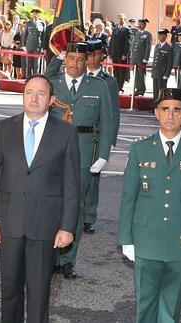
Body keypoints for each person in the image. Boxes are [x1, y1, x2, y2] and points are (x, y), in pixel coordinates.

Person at [0, 74, 80, 323]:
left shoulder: (66, 133)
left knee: (38, 294)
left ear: (51, 100)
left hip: (45, 225)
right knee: (9, 291)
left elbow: (71, 185)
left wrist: (67, 227)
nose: (34, 98)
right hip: (9, 222)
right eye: (29, 92)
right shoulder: (4, 128)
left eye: (40, 94)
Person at [118, 88, 181, 323]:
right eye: (165, 109)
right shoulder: (140, 149)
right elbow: (129, 197)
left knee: (171, 308)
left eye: (177, 110)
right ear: (156, 113)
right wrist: (126, 239)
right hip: (146, 240)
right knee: (145, 304)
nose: (171, 115)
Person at [45, 42, 113, 278]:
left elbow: (107, 121)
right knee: (52, 204)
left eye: (80, 59)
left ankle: (67, 259)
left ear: (88, 61)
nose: (75, 63)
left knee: (77, 206)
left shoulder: (99, 86)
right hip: (53, 153)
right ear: (65, 60)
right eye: (71, 58)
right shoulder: (52, 84)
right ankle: (50, 255)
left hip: (84, 152)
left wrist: (103, 154)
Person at [82, 39, 120, 235]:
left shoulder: (109, 81)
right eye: (89, 55)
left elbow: (112, 114)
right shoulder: (79, 76)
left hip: (97, 136)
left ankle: (88, 217)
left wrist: (110, 142)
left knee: (92, 179)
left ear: (102, 56)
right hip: (78, 135)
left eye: (96, 54)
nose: (92, 59)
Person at [130, 19, 152, 96]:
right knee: (135, 74)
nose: (139, 25)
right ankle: (137, 89)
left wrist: (146, 58)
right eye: (139, 24)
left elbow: (148, 47)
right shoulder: (137, 33)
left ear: (145, 25)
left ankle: (142, 89)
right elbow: (133, 46)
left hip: (141, 58)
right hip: (135, 57)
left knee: (141, 74)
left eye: (141, 24)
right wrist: (131, 57)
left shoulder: (147, 34)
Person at [108, 13, 130, 92]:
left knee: (122, 71)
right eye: (119, 18)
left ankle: (120, 86)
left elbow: (127, 43)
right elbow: (111, 42)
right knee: (115, 70)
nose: (120, 20)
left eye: (121, 18)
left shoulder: (126, 29)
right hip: (114, 54)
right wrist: (110, 52)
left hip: (121, 55)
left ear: (124, 19)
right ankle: (116, 85)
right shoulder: (115, 29)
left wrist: (125, 54)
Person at [151, 29, 174, 104]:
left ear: (165, 36)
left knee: (162, 91)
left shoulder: (168, 48)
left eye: (161, 35)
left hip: (162, 73)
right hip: (155, 72)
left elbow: (170, 63)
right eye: (159, 35)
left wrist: (167, 74)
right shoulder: (157, 46)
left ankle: (161, 105)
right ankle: (155, 105)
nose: (159, 37)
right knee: (155, 90)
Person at [22, 8, 46, 77]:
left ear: (38, 15)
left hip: (38, 46)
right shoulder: (28, 23)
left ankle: (36, 77)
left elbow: (44, 36)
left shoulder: (42, 23)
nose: (35, 15)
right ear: (32, 15)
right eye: (33, 14)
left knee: (36, 64)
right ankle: (28, 78)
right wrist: (23, 45)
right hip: (29, 45)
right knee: (29, 63)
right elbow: (25, 34)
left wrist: (43, 47)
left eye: (36, 14)